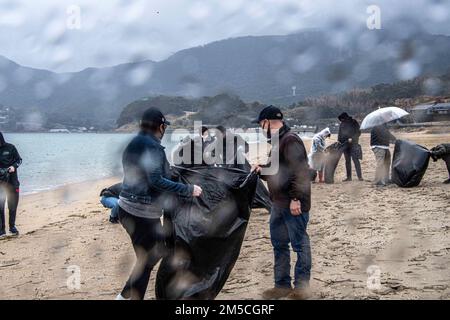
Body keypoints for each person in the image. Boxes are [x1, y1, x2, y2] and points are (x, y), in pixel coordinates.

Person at [116, 107, 202, 300]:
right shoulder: (152, 146)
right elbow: (155, 180)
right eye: (165, 127)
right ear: (161, 127)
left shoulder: (135, 142)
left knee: (149, 257)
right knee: (148, 259)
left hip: (128, 209)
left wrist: (173, 172)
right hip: (140, 213)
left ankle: (125, 297)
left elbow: (146, 174)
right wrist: (189, 189)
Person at [251, 106, 312, 300]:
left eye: (261, 124)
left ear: (268, 122)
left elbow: (301, 172)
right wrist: (261, 170)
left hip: (292, 203)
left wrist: (295, 199)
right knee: (279, 245)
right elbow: (278, 171)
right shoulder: (278, 141)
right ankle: (282, 286)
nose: (261, 128)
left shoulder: (290, 139)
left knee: (300, 245)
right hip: (277, 203)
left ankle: (302, 288)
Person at [0, 133, 22, 239]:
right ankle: (1, 230)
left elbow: (19, 160)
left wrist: (13, 166)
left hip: (13, 182)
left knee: (12, 206)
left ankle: (12, 227)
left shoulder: (10, 147)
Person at [337, 112, 363, 181]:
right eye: (341, 120)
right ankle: (349, 177)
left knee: (355, 160)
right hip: (344, 145)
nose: (341, 121)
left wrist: (352, 138)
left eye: (342, 119)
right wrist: (339, 141)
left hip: (354, 144)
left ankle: (359, 177)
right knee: (347, 161)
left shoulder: (354, 122)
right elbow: (339, 134)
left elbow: (359, 132)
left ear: (345, 117)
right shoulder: (342, 124)